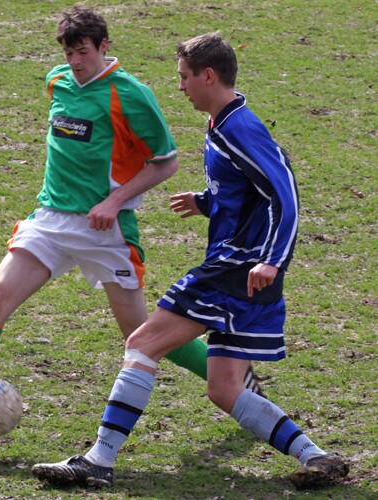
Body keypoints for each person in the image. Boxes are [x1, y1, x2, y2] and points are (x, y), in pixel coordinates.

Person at [0, 8, 266, 445]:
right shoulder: (58, 81)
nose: (75, 61)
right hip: (51, 222)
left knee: (142, 336)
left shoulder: (129, 94)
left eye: (83, 52)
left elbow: (165, 162)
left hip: (105, 231)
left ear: (103, 46)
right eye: (69, 52)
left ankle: (237, 379)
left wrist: (114, 200)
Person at [31, 32, 350, 491]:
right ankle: (317, 457)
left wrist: (272, 261)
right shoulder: (223, 123)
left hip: (235, 270)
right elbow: (249, 190)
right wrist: (207, 201)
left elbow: (285, 193)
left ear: (208, 75)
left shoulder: (240, 129)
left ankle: (99, 460)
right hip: (244, 274)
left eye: (184, 77)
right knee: (224, 388)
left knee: (142, 343)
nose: (179, 86)